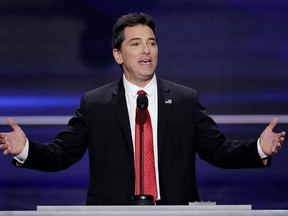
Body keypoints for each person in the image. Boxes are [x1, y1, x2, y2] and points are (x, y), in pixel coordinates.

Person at [0, 12, 285, 205]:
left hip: (174, 212)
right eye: (135, 44)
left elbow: (219, 151)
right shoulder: (96, 104)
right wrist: (25, 148)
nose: (146, 50)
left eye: (151, 43)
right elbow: (61, 155)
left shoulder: (185, 100)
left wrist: (259, 147)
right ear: (117, 54)